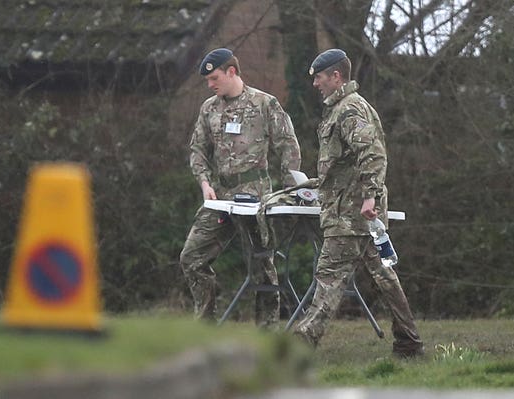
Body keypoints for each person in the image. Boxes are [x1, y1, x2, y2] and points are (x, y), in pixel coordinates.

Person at [293, 49, 424, 357]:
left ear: (336, 76)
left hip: (351, 213)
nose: (316, 84)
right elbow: (345, 163)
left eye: (320, 78)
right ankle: (409, 341)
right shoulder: (343, 109)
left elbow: (374, 154)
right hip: (353, 211)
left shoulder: (349, 110)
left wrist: (370, 196)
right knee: (383, 276)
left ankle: (301, 345)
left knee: (328, 275)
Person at [179, 48, 301, 328]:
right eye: (207, 80)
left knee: (263, 268)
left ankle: (266, 332)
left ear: (231, 71)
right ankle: (205, 324)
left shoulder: (264, 104)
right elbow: (197, 149)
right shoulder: (209, 108)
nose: (210, 85)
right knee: (192, 257)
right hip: (221, 197)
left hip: (257, 196)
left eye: (214, 78)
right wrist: (204, 182)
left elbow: (288, 146)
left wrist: (288, 189)